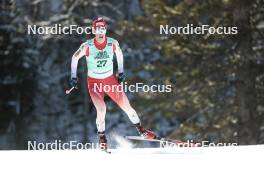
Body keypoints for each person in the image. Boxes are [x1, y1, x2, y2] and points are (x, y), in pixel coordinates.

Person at [69, 18, 156, 150]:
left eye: (102, 29)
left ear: (105, 30)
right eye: (97, 29)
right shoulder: (87, 46)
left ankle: (141, 130)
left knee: (127, 106)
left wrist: (121, 72)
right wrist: (73, 77)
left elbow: (119, 54)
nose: (100, 32)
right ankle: (102, 139)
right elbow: (75, 57)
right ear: (93, 31)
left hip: (110, 80)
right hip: (95, 82)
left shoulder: (112, 43)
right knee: (102, 109)